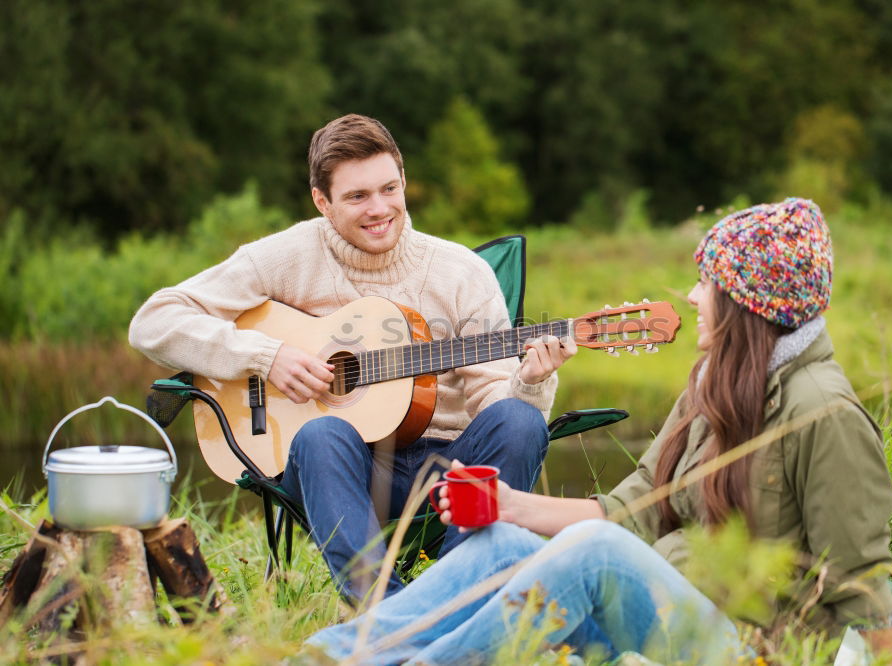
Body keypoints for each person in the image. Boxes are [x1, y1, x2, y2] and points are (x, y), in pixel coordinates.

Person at [304, 198, 892, 665]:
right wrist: (509, 505)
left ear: (753, 304)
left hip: (750, 646)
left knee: (594, 554)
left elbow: (864, 585)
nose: (695, 297)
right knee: (503, 543)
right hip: (666, 612)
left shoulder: (825, 413)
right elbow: (630, 510)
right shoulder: (715, 385)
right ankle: (332, 653)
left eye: (709, 284)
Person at [128, 114, 575, 603]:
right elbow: (154, 321)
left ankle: (453, 601)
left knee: (520, 421)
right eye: (357, 196)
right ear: (322, 202)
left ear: (404, 182)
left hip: (446, 470)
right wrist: (266, 356)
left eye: (389, 189)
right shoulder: (288, 255)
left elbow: (496, 408)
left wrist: (529, 383)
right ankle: (385, 615)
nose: (379, 209)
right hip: (339, 468)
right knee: (321, 432)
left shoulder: (461, 273)